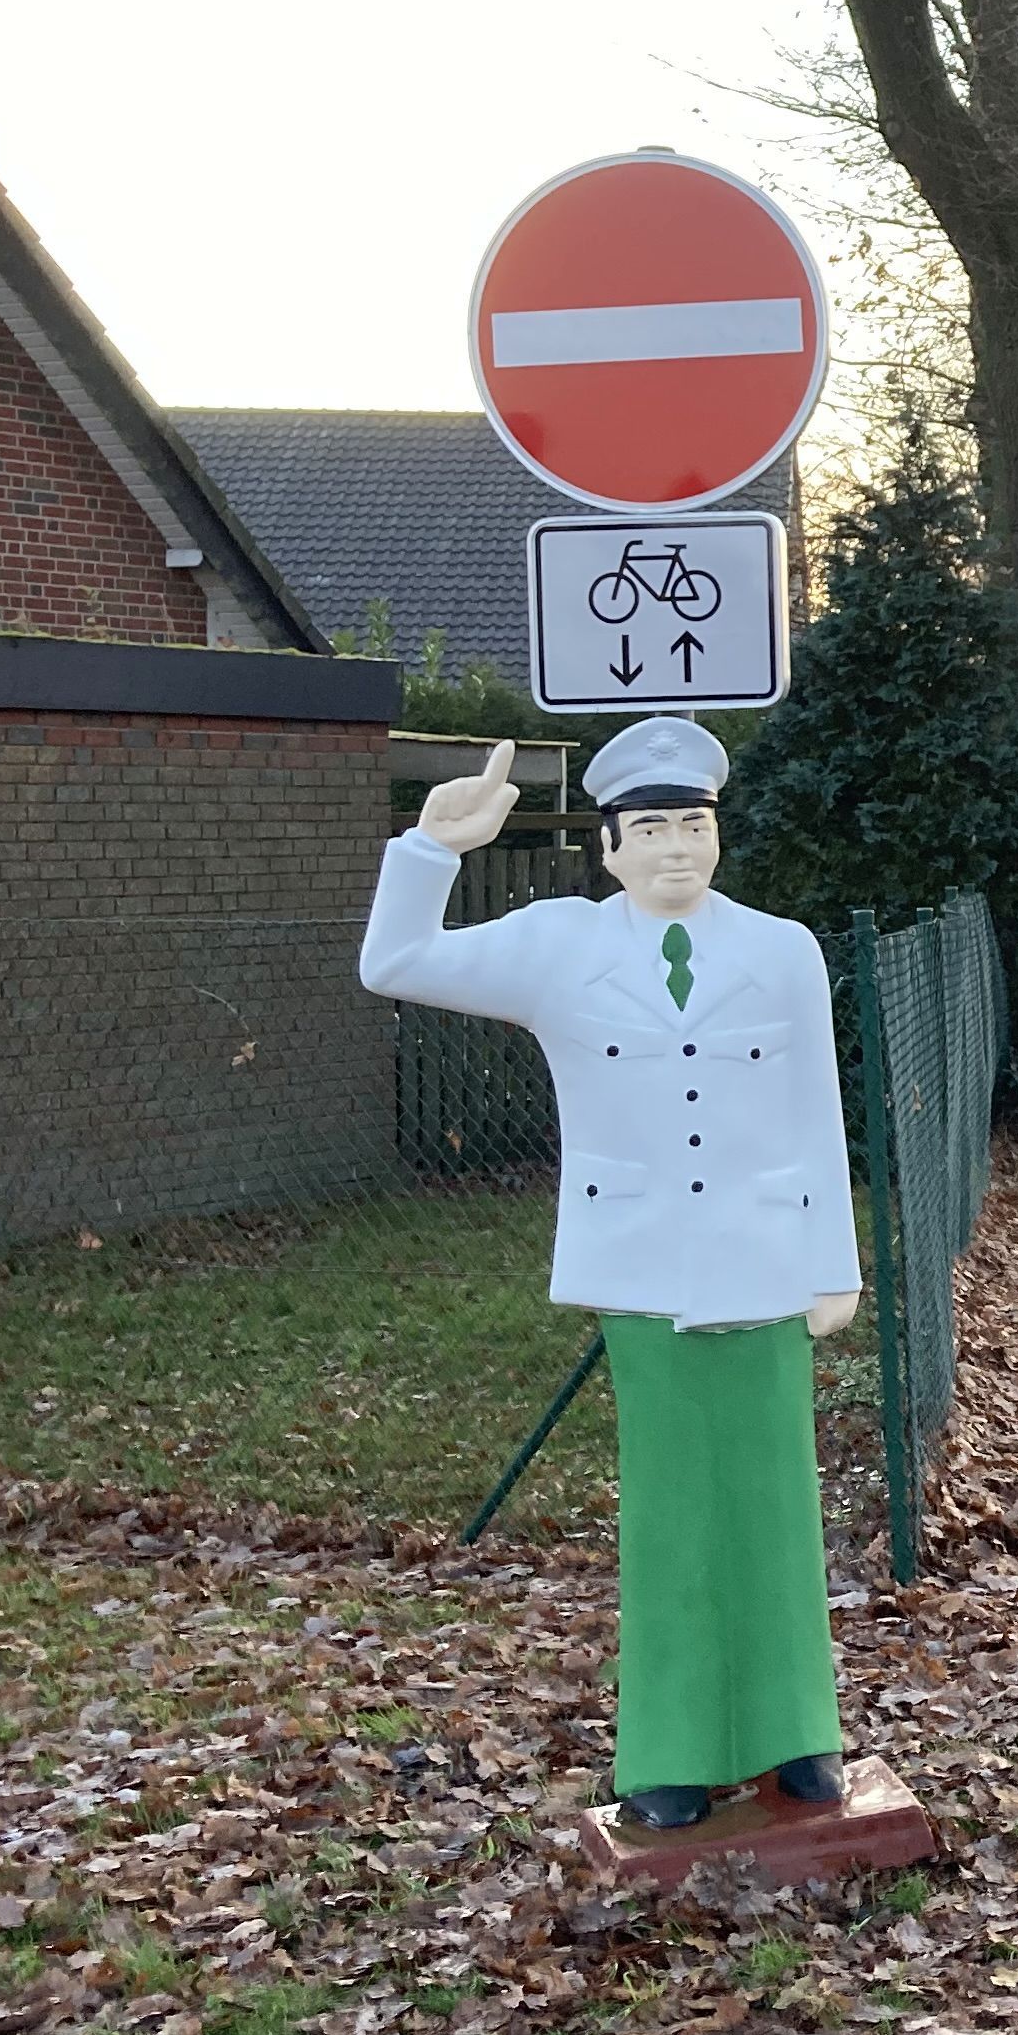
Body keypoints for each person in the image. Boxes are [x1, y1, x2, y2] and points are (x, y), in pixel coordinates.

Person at [361, 719, 865, 1834]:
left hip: (769, 1265)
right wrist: (430, 851)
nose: (677, 847)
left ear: (719, 835)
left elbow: (814, 1111)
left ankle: (799, 1737)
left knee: (779, 1511)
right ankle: (673, 1752)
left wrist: (836, 1260)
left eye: (694, 824)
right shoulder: (560, 946)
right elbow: (394, 964)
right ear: (610, 847)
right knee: (674, 1518)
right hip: (642, 1272)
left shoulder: (781, 949)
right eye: (651, 829)